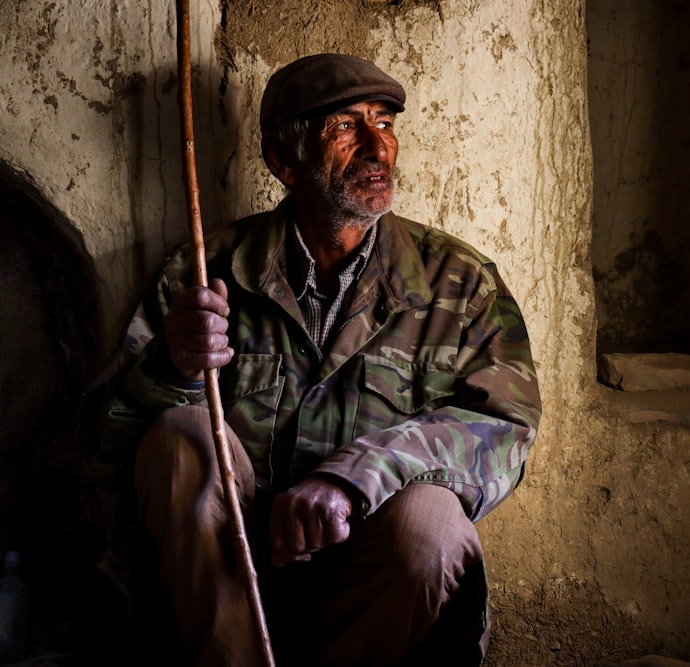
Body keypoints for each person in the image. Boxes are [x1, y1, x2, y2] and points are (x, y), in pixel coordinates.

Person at [94, 53, 541, 667]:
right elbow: (103, 443)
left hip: (375, 589)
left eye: (384, 124)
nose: (378, 149)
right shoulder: (202, 271)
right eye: (344, 128)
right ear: (284, 160)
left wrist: (356, 475)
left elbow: (505, 432)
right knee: (181, 437)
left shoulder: (459, 283)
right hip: (228, 584)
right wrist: (171, 371)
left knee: (434, 519)